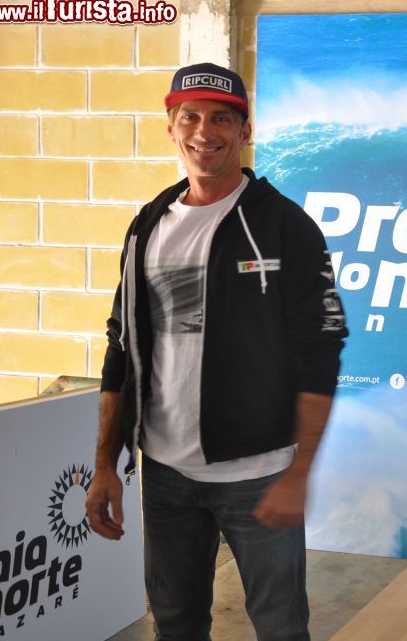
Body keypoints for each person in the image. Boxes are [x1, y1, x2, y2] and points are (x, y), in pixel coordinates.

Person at [84, 62, 347, 641]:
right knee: (175, 624)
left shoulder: (285, 226)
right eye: (191, 116)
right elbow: (120, 346)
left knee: (280, 627)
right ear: (171, 127)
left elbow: (321, 348)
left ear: (245, 131)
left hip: (257, 473)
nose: (206, 131)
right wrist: (107, 462)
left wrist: (299, 471)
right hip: (165, 469)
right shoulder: (147, 226)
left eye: (222, 118)